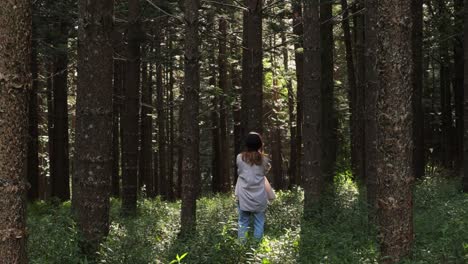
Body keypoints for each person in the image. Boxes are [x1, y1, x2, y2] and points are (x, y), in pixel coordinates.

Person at [235, 132, 275, 241]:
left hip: (243, 195)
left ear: (247, 144)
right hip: (259, 195)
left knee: (243, 221)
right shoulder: (264, 160)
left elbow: (240, 171)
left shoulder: (239, 158)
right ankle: (256, 247)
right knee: (259, 222)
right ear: (260, 144)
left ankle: (241, 247)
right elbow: (264, 171)